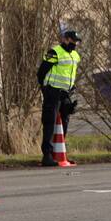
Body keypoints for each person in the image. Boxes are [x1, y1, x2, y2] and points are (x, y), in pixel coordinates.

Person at [37, 30, 82, 167]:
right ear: (66, 39)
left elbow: (71, 73)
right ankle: (47, 155)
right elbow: (41, 72)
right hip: (53, 91)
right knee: (49, 122)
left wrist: (72, 87)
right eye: (73, 41)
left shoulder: (75, 55)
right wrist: (45, 89)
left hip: (66, 93)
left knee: (65, 121)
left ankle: (60, 153)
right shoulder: (54, 52)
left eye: (76, 41)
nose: (75, 44)